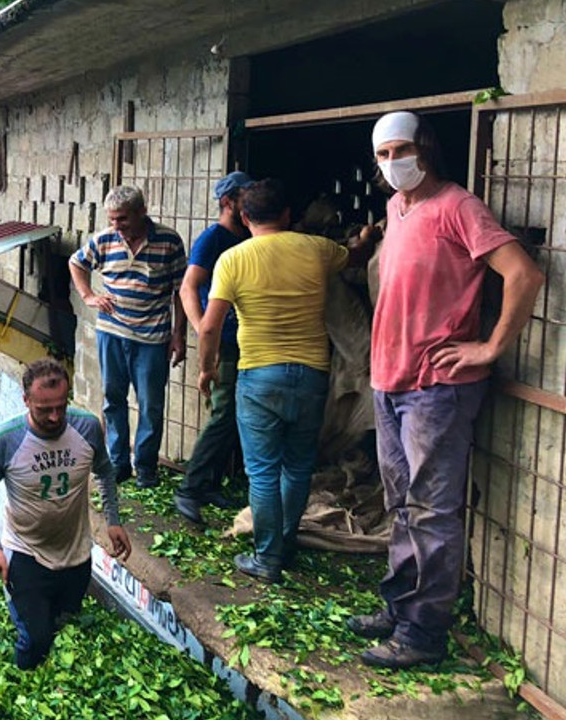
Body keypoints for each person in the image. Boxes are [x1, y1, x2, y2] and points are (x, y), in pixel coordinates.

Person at [346, 112, 543, 669]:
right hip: (388, 378)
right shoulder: (395, 208)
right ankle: (399, 605)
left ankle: (424, 633)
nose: (391, 164)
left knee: (432, 510)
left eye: (400, 151)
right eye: (382, 155)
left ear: (425, 149)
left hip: (437, 387)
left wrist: (489, 347)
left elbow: (523, 274)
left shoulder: (459, 207)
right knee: (401, 503)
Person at [198, 179, 354, 584]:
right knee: (298, 467)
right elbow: (353, 257)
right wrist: (368, 237)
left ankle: (267, 558)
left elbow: (210, 327)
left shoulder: (232, 259)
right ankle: (284, 542)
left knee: (263, 472)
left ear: (245, 217)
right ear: (288, 215)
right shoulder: (317, 249)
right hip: (312, 373)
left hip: (259, 376)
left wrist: (207, 367)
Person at [0, 358, 132, 670]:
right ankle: (23, 689)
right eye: (44, 409)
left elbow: (105, 471)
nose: (55, 416)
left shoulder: (86, 427)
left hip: (75, 555)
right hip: (26, 555)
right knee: (36, 638)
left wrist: (113, 521)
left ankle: (51, 686)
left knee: (61, 627)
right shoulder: (6, 439)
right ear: (26, 400)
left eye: (60, 405)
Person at [70, 185, 187, 488]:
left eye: (122, 219)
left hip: (152, 336)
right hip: (112, 332)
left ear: (140, 212)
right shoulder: (105, 239)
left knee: (151, 403)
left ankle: (146, 467)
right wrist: (88, 296)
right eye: (112, 219)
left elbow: (180, 290)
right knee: (113, 398)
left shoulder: (169, 240)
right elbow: (76, 262)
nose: (116, 225)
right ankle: (118, 463)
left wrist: (178, 334)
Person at [174, 171, 254, 524]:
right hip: (222, 340)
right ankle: (190, 488)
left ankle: (209, 484)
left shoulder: (248, 235)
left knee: (233, 414)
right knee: (224, 414)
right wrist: (203, 328)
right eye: (244, 197)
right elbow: (188, 288)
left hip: (244, 338)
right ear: (228, 202)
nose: (250, 203)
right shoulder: (213, 238)